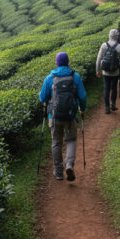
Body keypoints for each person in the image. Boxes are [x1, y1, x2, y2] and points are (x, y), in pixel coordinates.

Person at [39, 52, 87, 181]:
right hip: (71, 116)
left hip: (54, 117)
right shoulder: (75, 77)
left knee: (56, 142)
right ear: (68, 62)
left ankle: (59, 171)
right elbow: (82, 96)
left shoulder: (49, 78)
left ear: (56, 63)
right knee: (71, 140)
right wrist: (82, 109)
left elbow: (42, 97)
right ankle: (69, 165)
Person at [96, 29, 120, 113]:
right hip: (115, 71)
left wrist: (97, 70)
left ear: (109, 36)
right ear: (117, 36)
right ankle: (112, 103)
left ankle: (106, 107)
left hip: (105, 72)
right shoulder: (119, 46)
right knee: (114, 88)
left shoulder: (104, 45)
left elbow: (98, 58)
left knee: (106, 88)